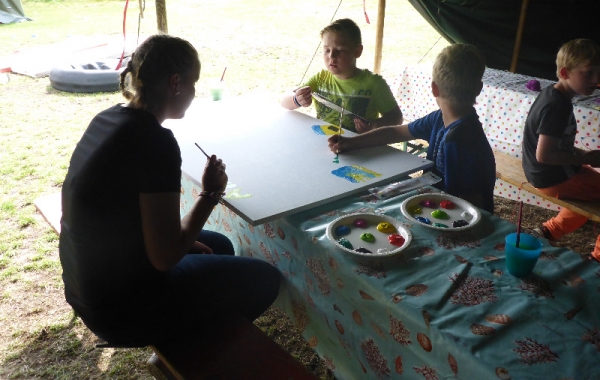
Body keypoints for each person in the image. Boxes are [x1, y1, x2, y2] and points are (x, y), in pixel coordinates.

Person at [59, 34, 281, 347]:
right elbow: (165, 258)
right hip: (120, 312)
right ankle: (197, 350)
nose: (194, 92)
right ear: (176, 83)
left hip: (87, 285)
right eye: (193, 83)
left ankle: (192, 323)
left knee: (218, 244)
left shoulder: (108, 118)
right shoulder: (155, 142)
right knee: (266, 280)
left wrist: (181, 241)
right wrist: (210, 195)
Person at [328, 44, 496, 214]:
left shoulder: (462, 141)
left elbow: (472, 207)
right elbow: (394, 132)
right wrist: (351, 142)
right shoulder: (438, 118)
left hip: (452, 214)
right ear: (479, 89)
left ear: (434, 88)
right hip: (437, 202)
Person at [522, 38, 600, 261]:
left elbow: (556, 144)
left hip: (544, 172)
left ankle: (549, 231)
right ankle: (597, 260)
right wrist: (582, 159)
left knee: (591, 193)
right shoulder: (558, 105)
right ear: (565, 72)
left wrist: (582, 155)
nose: (596, 80)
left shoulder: (553, 93)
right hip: (551, 176)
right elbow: (544, 155)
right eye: (589, 73)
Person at [280, 18, 403, 133]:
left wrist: (374, 125)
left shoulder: (374, 83)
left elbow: (396, 118)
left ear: (357, 51)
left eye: (340, 50)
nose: (331, 56)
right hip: (325, 140)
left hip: (359, 143)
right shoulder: (320, 79)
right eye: (327, 50)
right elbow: (284, 103)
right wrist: (297, 99)